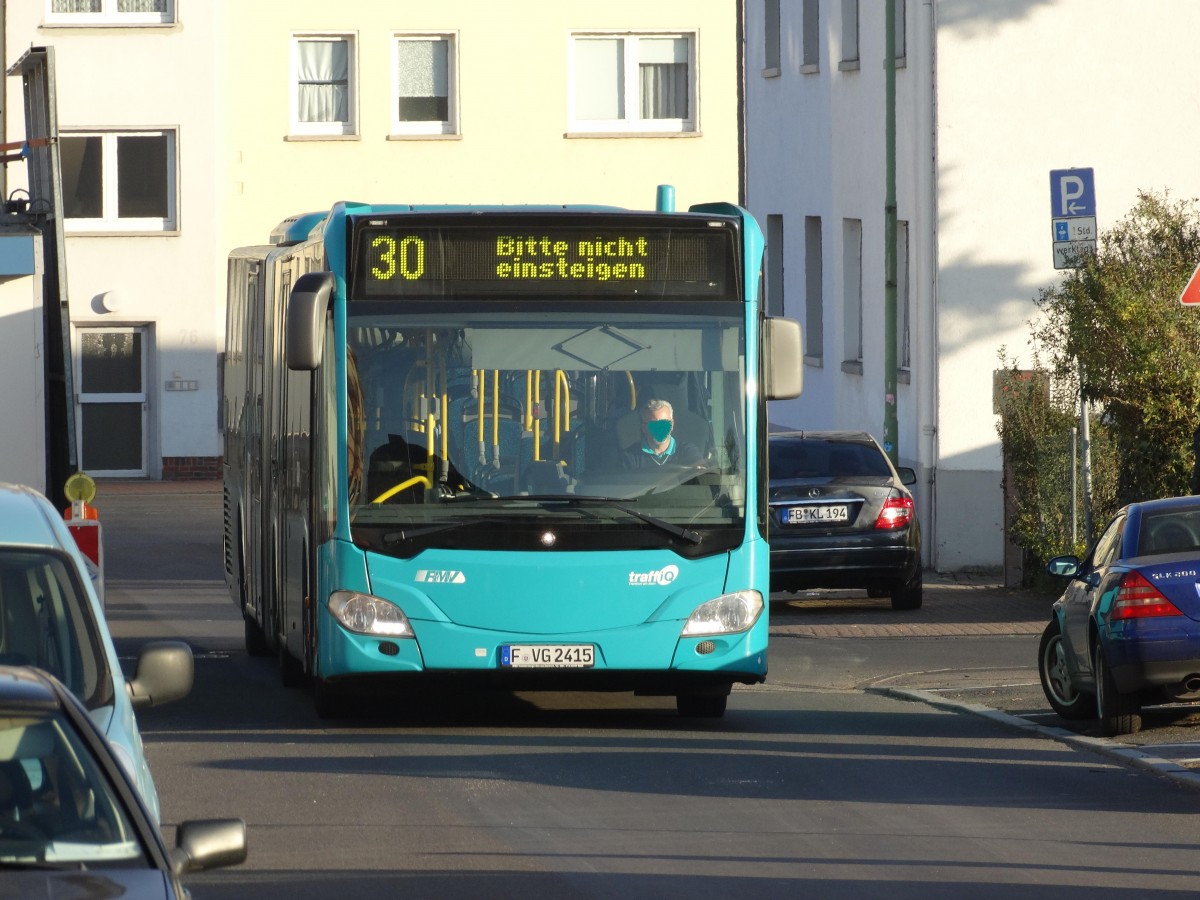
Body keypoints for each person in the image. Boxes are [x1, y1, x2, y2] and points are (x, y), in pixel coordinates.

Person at [621, 398, 703, 470]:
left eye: (664, 424)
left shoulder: (687, 452)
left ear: (672, 425)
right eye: (654, 425)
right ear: (643, 427)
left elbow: (702, 476)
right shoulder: (630, 457)